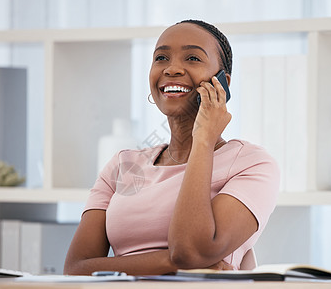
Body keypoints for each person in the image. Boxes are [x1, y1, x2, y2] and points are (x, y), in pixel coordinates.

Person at [63, 19, 280, 276]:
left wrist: (203, 140)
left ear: (223, 83)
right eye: (161, 58)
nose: (172, 69)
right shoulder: (124, 166)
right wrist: (172, 264)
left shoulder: (252, 164)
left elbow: (191, 251)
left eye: (192, 58)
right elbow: (76, 268)